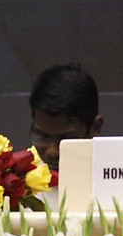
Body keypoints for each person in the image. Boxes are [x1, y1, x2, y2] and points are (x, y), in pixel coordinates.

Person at [29, 64, 103, 208]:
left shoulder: (116, 182)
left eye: (66, 139)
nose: (52, 151)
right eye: (42, 137)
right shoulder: (16, 188)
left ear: (95, 128)